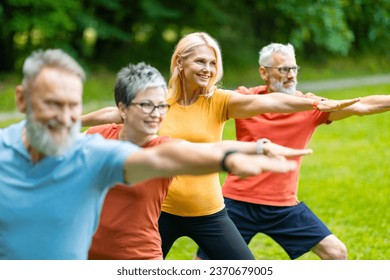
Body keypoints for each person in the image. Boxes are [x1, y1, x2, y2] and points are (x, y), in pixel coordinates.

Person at [0, 48, 302, 260]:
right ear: (21, 99)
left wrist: (241, 153)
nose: (64, 117)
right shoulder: (86, 139)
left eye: (72, 107)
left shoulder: (91, 152)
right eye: (53, 104)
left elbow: (168, 157)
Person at [81, 32, 359, 260]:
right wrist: (74, 120)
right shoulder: (158, 101)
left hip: (208, 211)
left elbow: (270, 102)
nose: (208, 69)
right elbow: (115, 113)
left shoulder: (220, 101)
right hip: (161, 211)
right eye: (201, 62)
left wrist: (313, 102)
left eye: (213, 63)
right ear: (180, 62)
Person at [196, 42, 390, 260]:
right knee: (202, 265)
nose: (290, 75)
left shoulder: (311, 106)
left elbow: (362, 106)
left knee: (336, 253)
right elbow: (207, 100)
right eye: (283, 69)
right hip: (237, 203)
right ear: (264, 72)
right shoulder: (247, 98)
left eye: (294, 69)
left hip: (283, 206)